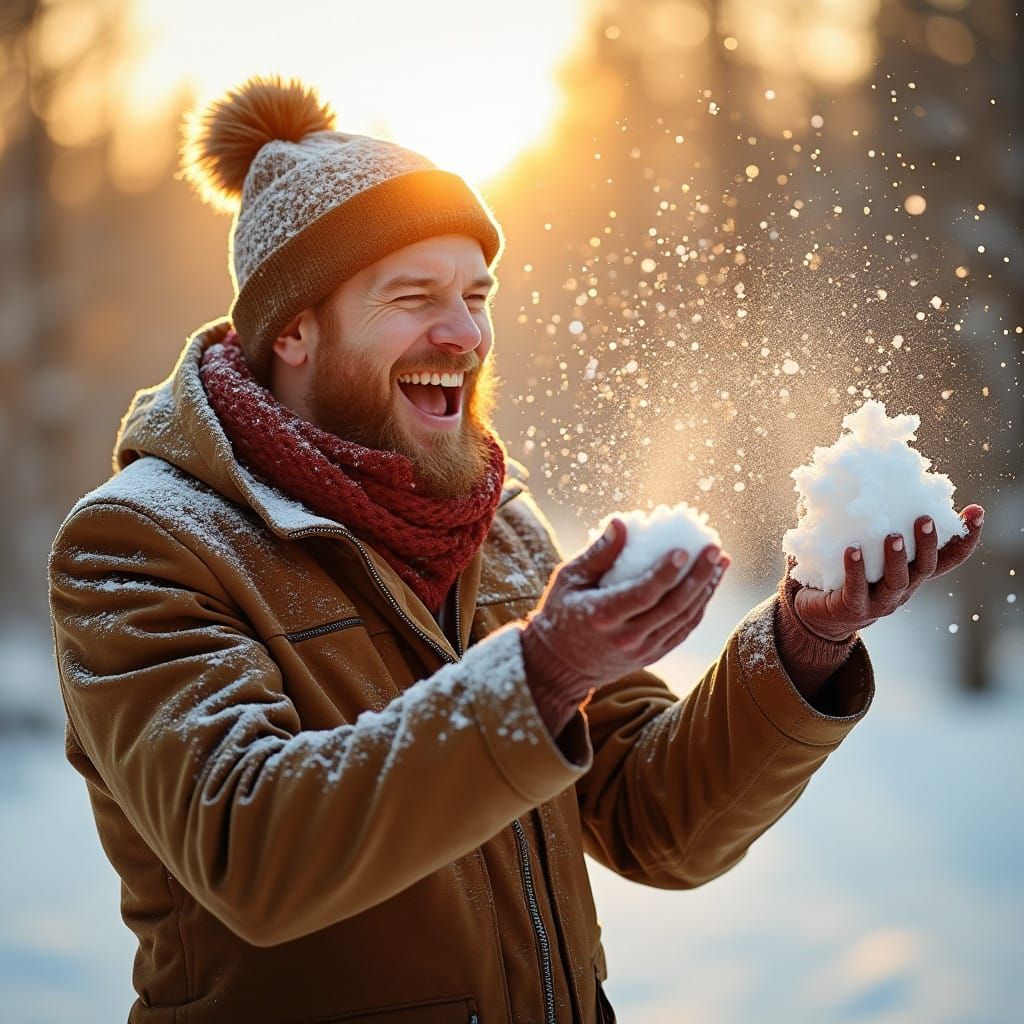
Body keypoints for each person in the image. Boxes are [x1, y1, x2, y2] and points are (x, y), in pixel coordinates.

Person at [47, 77, 984, 1024]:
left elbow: (652, 819)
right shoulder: (144, 543)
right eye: (414, 295)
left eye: (475, 294)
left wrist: (803, 642)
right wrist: (537, 676)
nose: (463, 332)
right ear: (291, 326)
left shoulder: (488, 522)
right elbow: (248, 847)